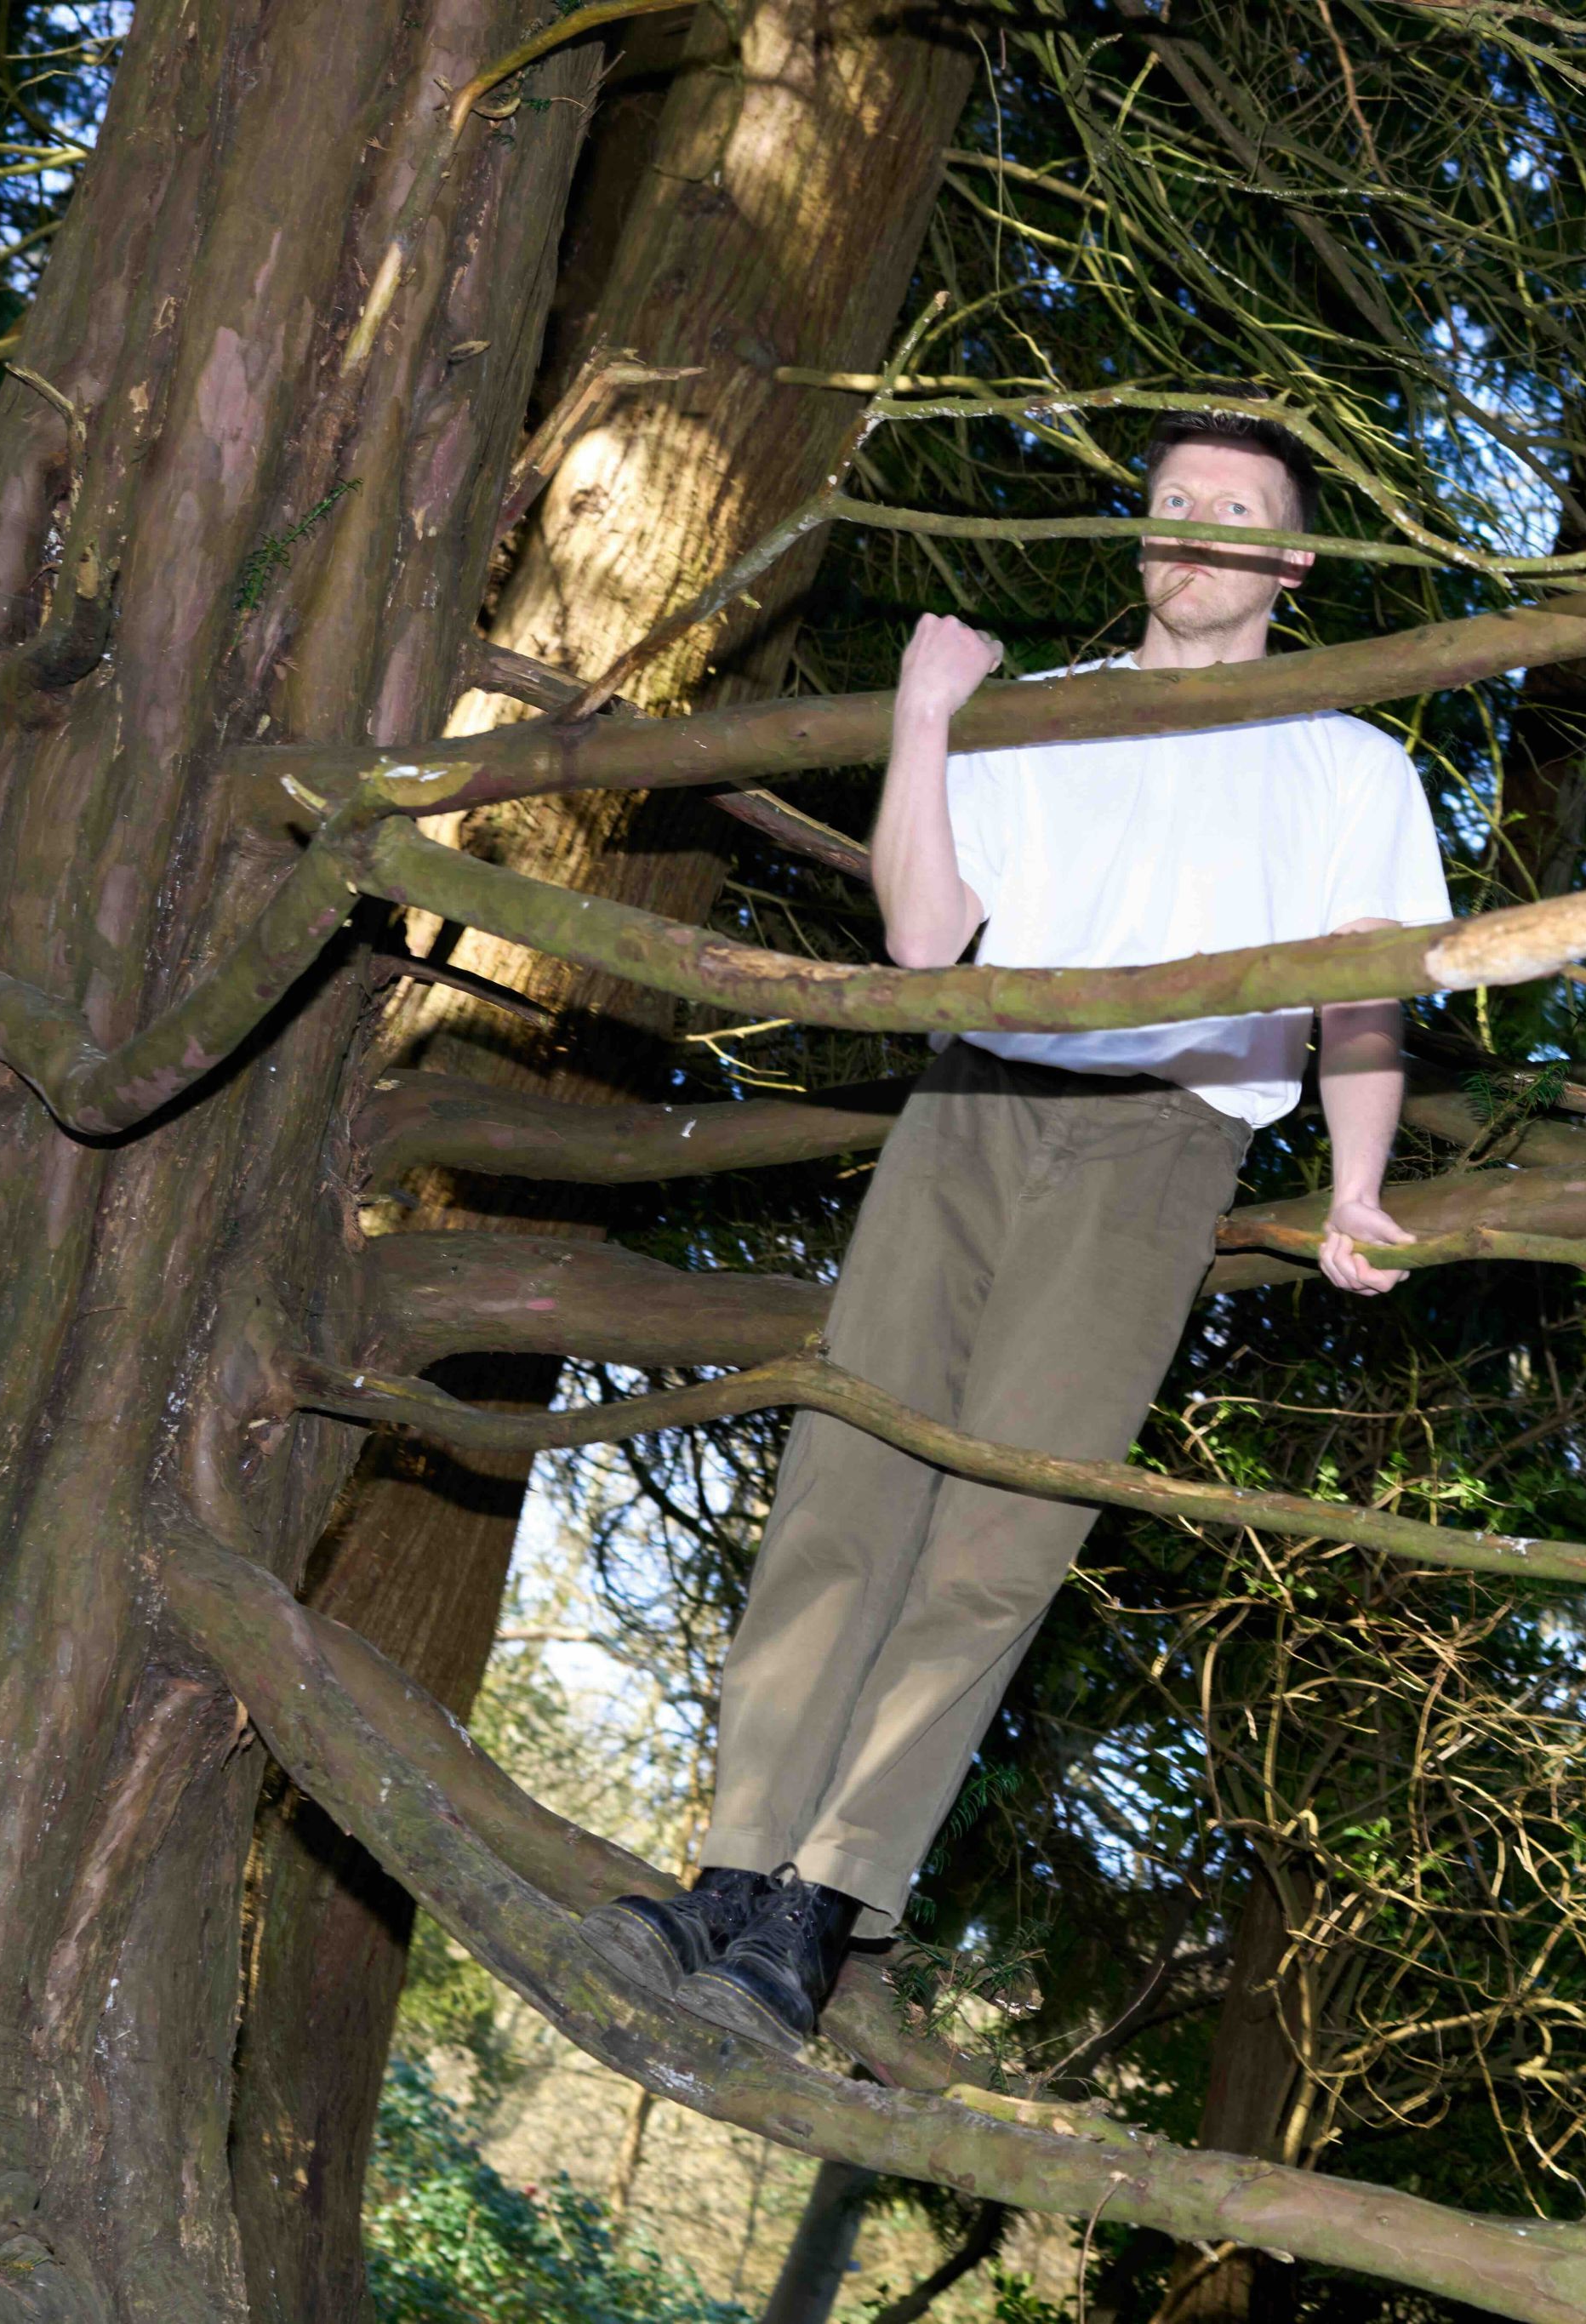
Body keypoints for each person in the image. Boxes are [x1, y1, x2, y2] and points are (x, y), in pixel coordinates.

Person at [579, 408, 1449, 2049]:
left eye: (1239, 506)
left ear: (1292, 557)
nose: (1198, 525)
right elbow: (922, 937)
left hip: (1161, 1143)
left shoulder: (1349, 763)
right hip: (970, 1102)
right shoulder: (1038, 724)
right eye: (1175, 499)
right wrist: (927, 717)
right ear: (1144, 538)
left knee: (998, 1532)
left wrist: (1353, 1185)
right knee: (848, 1475)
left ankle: (824, 1907)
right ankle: (729, 1872)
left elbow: (1366, 996)